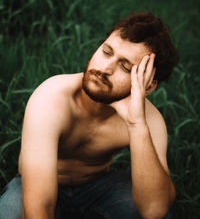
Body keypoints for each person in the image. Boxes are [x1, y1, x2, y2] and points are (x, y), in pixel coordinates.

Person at [0, 12, 178, 219]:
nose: (104, 68)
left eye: (125, 66)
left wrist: (136, 123)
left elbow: (154, 210)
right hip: (36, 186)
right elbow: (38, 208)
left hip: (100, 189)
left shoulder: (150, 120)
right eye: (106, 52)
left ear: (148, 85)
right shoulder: (52, 98)